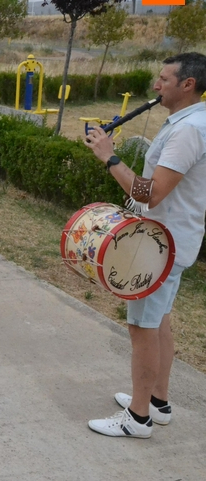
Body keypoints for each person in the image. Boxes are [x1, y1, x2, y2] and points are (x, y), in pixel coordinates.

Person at [84, 52, 206, 439]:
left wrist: (109, 157)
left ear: (188, 85)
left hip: (160, 247)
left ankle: (138, 418)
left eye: (164, 79)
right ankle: (158, 401)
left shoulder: (189, 130)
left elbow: (150, 193)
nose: (156, 85)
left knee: (142, 327)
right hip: (169, 241)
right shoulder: (192, 122)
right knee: (159, 321)